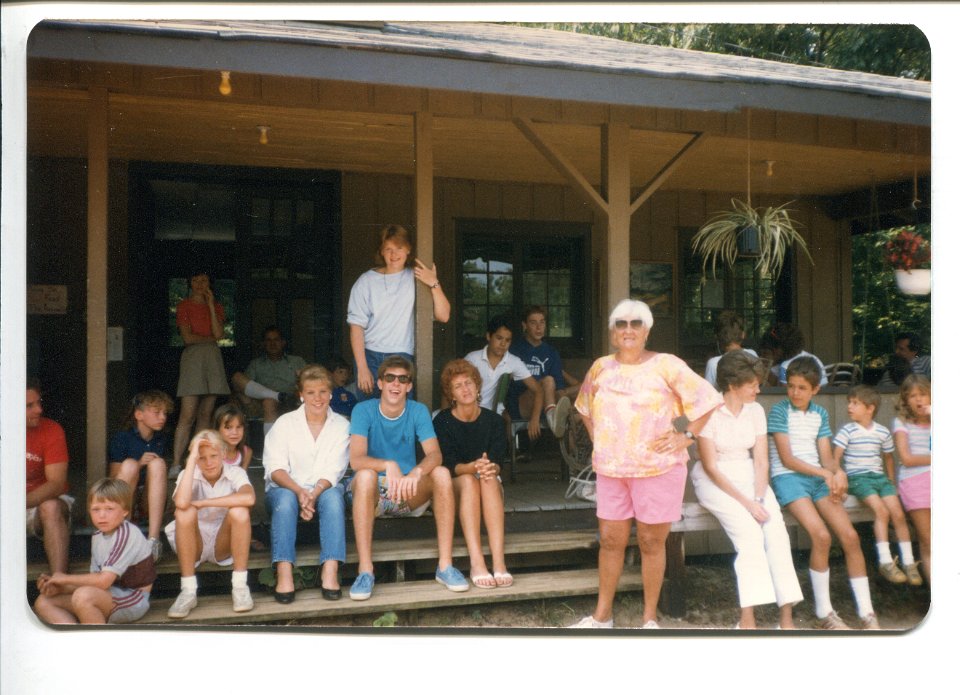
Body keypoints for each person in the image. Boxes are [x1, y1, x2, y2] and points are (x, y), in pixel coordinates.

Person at [570, 299, 722, 628]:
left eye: (635, 323)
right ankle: (602, 617)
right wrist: (601, 438)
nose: (628, 329)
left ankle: (649, 619)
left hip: (659, 468)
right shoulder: (600, 367)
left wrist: (686, 435)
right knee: (610, 540)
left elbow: (707, 400)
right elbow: (584, 406)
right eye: (620, 324)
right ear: (612, 331)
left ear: (647, 331)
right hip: (612, 471)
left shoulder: (667, 365)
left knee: (651, 542)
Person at [692, 351, 802, 629]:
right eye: (752, 384)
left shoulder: (755, 410)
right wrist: (747, 504)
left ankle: (786, 620)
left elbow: (762, 460)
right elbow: (710, 467)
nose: (758, 389)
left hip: (751, 477)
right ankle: (747, 621)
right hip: (714, 480)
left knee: (776, 532)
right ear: (732, 385)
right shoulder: (709, 410)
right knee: (750, 535)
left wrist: (759, 498)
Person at [768, 356, 879, 629]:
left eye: (802, 388)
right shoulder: (779, 411)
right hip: (789, 479)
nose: (795, 392)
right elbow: (787, 459)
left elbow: (827, 458)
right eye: (791, 386)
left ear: (815, 389)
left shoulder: (820, 414)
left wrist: (838, 473)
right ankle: (824, 613)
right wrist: (825, 473)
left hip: (817, 478)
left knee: (850, 536)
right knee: (821, 535)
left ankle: (867, 613)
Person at [347, 356, 468, 599]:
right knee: (364, 476)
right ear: (380, 383)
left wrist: (416, 471)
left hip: (408, 491)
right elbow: (356, 459)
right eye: (389, 378)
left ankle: (445, 566)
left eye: (402, 379)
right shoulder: (363, 410)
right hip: (375, 495)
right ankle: (365, 571)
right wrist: (387, 464)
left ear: (409, 386)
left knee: (442, 474)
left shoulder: (418, 410)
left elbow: (435, 454)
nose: (396, 384)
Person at [262, 365, 350, 603]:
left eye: (323, 391)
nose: (318, 398)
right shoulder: (284, 423)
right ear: (301, 394)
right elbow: (275, 468)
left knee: (333, 497)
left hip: (323, 488)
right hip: (287, 489)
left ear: (331, 393)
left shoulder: (342, 425)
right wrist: (300, 491)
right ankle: (284, 573)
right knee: (285, 499)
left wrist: (314, 493)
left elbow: (336, 468)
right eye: (310, 392)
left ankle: (330, 572)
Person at [433, 359, 512, 589]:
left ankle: (499, 562)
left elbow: (498, 462)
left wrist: (489, 467)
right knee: (469, 480)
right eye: (458, 386)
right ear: (451, 394)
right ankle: (477, 562)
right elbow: (447, 464)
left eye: (469, 383)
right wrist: (473, 467)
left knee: (487, 478)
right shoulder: (443, 420)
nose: (465, 389)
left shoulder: (494, 421)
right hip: (458, 484)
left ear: (477, 387)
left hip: (488, 483)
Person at [347, 224, 450, 399]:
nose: (394, 255)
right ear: (381, 252)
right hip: (370, 356)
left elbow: (443, 315)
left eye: (399, 248)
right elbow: (356, 326)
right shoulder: (366, 281)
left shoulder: (416, 279)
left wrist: (433, 282)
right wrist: (362, 368)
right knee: (370, 411)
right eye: (388, 249)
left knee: (400, 412)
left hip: (401, 355)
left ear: (408, 249)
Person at [33, 478, 156, 625]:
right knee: (44, 601)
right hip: (107, 594)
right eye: (96, 509)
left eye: (109, 509)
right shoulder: (98, 536)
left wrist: (63, 578)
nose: (102, 515)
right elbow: (94, 580)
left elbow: (103, 581)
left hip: (133, 598)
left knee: (83, 596)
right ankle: (75, 639)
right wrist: (60, 587)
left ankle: (96, 643)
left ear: (125, 511)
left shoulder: (127, 533)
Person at [832, 385, 920, 586]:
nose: (850, 407)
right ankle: (886, 560)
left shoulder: (882, 431)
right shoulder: (848, 430)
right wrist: (839, 475)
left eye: (855, 403)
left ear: (870, 408)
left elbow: (888, 458)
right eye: (849, 402)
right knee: (881, 511)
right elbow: (835, 458)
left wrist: (890, 482)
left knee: (897, 513)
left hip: (880, 479)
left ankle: (908, 562)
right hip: (858, 479)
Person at [165, 430, 255, 619]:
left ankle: (239, 586)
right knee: (185, 512)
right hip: (193, 543)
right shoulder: (189, 473)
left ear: (223, 453)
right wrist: (191, 461)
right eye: (202, 458)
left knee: (239, 511)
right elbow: (181, 503)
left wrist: (204, 503)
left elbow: (249, 497)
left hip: (221, 543)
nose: (208, 462)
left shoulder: (235, 472)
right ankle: (188, 591)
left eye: (213, 456)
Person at [169, 269, 231, 479]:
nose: (199, 284)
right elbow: (187, 338)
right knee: (187, 414)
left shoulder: (218, 306)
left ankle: (195, 461)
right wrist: (211, 339)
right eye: (195, 280)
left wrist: (212, 305)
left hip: (213, 359)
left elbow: (220, 333)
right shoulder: (184, 305)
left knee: (206, 414)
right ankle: (176, 463)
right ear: (189, 282)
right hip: (193, 358)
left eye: (204, 280)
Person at [108, 389, 175, 561]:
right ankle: (123, 534)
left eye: (165, 413)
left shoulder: (162, 438)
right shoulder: (122, 438)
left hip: (149, 500)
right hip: (125, 497)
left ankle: (153, 540)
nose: (163, 417)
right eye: (157, 412)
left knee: (158, 463)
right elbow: (114, 478)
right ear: (139, 414)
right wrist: (138, 464)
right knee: (130, 464)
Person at [465, 315, 544, 440]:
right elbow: (451, 385)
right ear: (488, 336)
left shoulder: (513, 362)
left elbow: (538, 389)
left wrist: (535, 418)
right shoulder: (472, 359)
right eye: (499, 338)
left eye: (508, 340)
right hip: (467, 410)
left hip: (492, 414)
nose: (503, 344)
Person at [507, 305, 581, 437]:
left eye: (542, 322)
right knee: (548, 380)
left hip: (547, 403)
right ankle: (553, 417)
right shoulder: (515, 350)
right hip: (522, 404)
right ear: (525, 325)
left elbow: (558, 387)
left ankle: (576, 454)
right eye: (533, 322)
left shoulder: (551, 352)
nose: (538, 327)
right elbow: (514, 385)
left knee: (578, 409)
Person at [25, 377, 72, 575]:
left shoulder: (51, 429)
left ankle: (59, 581)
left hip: (40, 502)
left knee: (51, 507)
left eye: (39, 403)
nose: (39, 410)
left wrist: (16, 504)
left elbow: (56, 484)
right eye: (29, 405)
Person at [891, 374, 931, 584]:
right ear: (905, 400)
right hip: (915, 482)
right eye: (912, 396)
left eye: (923, 394)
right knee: (928, 540)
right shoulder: (901, 422)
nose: (918, 400)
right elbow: (906, 458)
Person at [231, 325, 305, 436]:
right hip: (260, 405)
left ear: (283, 342)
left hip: (290, 401)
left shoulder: (296, 361)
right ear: (263, 344)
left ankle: (271, 449)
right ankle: (276, 395)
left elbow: (312, 381)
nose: (272, 343)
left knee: (269, 401)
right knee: (236, 377)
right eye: (268, 340)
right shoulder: (256, 364)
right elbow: (242, 387)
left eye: (276, 340)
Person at [703, 310, 758, 389]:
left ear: (717, 337)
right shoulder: (752, 354)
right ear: (743, 335)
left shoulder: (713, 363)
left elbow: (708, 393)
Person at [214, 403, 253, 470]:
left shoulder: (246, 452)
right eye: (228, 427)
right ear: (218, 429)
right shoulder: (211, 451)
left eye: (239, 427)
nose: (235, 432)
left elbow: (242, 478)